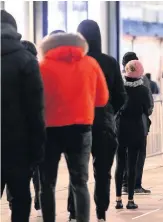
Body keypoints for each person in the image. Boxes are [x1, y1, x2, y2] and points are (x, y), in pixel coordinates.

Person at [39, 31, 109, 222]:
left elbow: (36, 100)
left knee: (47, 183)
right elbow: (102, 99)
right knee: (80, 182)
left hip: (50, 129)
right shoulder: (90, 64)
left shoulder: (43, 66)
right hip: (81, 127)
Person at [63, 20, 127, 222]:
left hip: (76, 123)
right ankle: (101, 213)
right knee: (103, 171)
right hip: (103, 123)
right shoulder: (109, 62)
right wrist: (108, 111)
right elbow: (120, 95)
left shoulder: (73, 62)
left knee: (77, 172)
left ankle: (74, 213)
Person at [1, 10, 46, 222]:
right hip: (19, 148)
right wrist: (37, 150)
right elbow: (36, 110)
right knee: (20, 200)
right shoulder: (26, 60)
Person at [5, 40, 42, 217]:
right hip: (23, 137)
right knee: (30, 173)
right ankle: (38, 199)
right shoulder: (31, 68)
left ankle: (13, 202)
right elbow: (37, 108)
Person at [115, 60, 152, 210]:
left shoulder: (120, 88)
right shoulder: (143, 90)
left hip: (120, 128)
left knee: (120, 164)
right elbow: (147, 109)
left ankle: (118, 200)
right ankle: (130, 200)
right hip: (136, 129)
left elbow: (114, 106)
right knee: (132, 165)